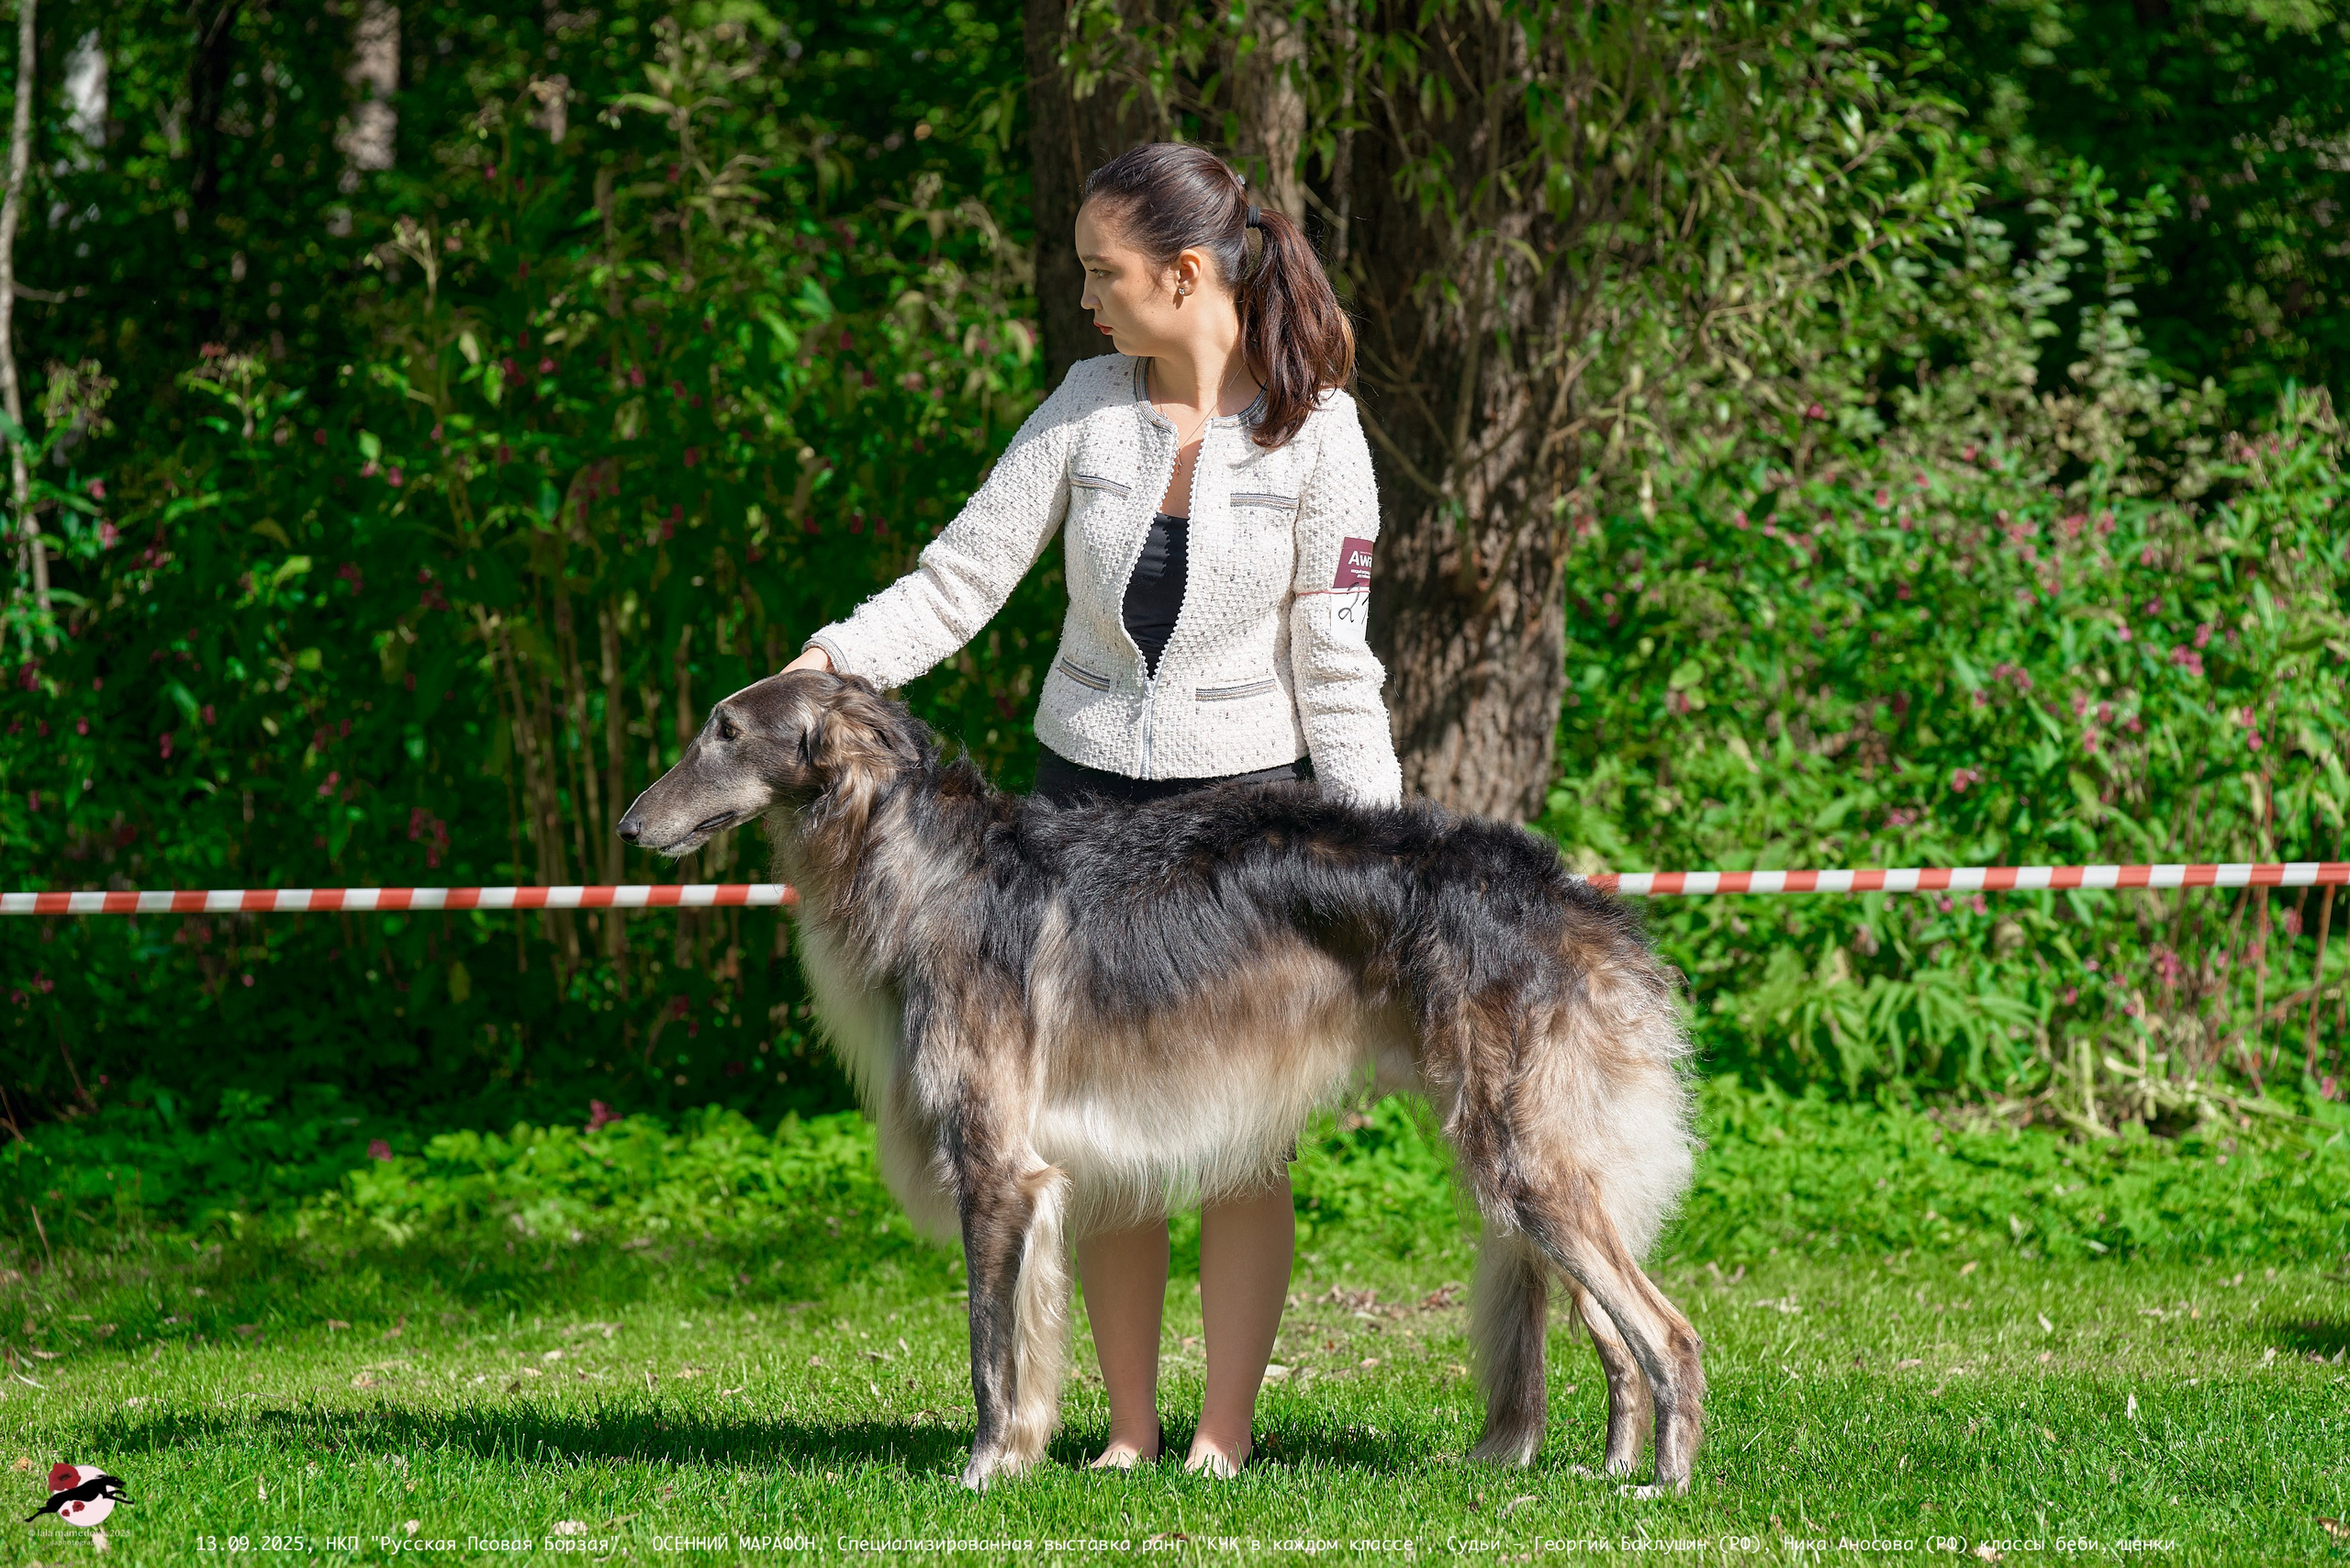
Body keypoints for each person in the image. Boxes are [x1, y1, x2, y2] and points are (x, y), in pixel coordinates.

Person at [780, 141, 1401, 1476]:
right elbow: (960, 579)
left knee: (1242, 1146)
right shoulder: (1083, 406)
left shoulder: (1323, 436)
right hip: (1081, 818)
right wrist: (829, 662)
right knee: (1102, 1135)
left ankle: (1223, 1438)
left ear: (1185, 274)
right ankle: (1126, 1433)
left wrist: (1383, 854)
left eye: (1100, 273)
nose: (1084, 297)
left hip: (1245, 832)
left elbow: (1338, 668)